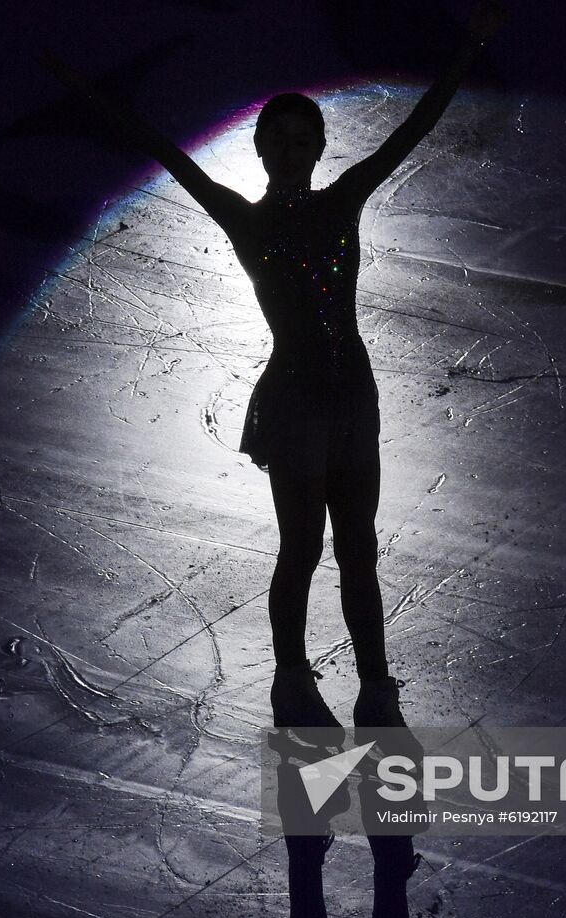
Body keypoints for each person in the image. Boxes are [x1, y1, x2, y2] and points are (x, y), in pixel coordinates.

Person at [41, 2, 506, 753]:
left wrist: (470, 47)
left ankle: (377, 690)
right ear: (260, 152)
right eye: (278, 143)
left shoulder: (345, 198)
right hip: (295, 404)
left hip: (355, 395)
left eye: (302, 142)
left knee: (360, 545)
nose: (290, 153)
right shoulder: (244, 220)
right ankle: (292, 677)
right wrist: (86, 90)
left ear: (318, 149)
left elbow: (416, 128)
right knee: (302, 548)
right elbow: (160, 148)